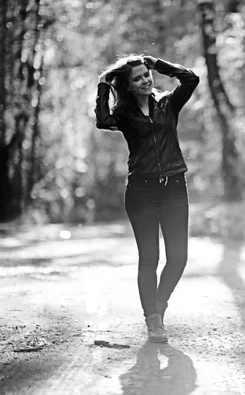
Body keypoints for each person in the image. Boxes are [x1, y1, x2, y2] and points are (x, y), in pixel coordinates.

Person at [95, 54, 199, 342]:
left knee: (178, 258)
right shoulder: (125, 115)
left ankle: (159, 307)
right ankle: (153, 320)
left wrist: (158, 63)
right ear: (128, 86)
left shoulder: (168, 103)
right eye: (137, 78)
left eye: (146, 75)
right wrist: (105, 85)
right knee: (149, 257)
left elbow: (191, 78)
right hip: (142, 191)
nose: (145, 80)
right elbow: (103, 120)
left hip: (175, 187)